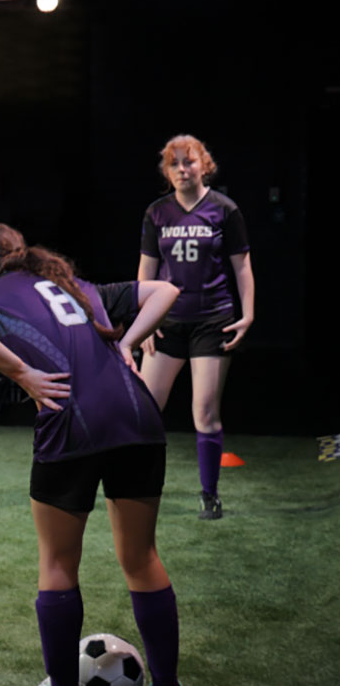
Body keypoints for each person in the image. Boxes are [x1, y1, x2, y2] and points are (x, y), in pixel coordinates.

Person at [0, 222, 189, 686]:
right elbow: (166, 290)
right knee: (142, 557)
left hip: (71, 424)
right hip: (137, 418)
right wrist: (128, 343)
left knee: (58, 562)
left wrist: (21, 373)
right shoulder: (74, 286)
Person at [138, 135, 254, 521]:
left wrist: (248, 313)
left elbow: (242, 266)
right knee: (144, 410)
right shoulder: (157, 213)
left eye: (189, 162)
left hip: (211, 321)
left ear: (205, 165)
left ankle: (209, 494)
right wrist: (143, 322)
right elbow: (146, 271)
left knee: (204, 411)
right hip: (167, 321)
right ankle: (139, 487)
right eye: (174, 164)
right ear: (166, 171)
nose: (182, 170)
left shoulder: (224, 210)